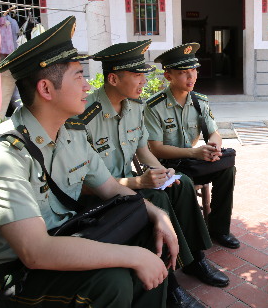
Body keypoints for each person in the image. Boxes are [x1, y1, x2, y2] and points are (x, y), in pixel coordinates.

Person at [0, 16, 179, 307]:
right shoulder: (5, 156)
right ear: (46, 89)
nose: (88, 87)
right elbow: (35, 252)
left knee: (145, 225)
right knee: (111, 280)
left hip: (63, 235)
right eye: (79, 76)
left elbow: (112, 190)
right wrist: (133, 256)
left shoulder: (71, 132)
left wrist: (157, 214)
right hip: (8, 275)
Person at [82, 41, 229, 306]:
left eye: (144, 74)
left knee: (180, 183)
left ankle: (196, 260)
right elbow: (88, 183)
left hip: (129, 184)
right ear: (113, 78)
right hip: (104, 193)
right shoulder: (85, 114)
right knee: (156, 200)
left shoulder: (134, 107)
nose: (143, 81)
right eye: (137, 75)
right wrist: (140, 181)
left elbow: (142, 151)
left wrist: (161, 171)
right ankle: (169, 286)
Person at [143, 43, 240, 251]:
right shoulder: (154, 107)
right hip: (168, 168)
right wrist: (195, 152)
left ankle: (219, 228)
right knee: (184, 182)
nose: (191, 77)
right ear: (168, 76)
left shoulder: (199, 102)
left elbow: (214, 132)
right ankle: (194, 242)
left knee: (228, 170)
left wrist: (214, 145)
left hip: (193, 163)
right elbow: (156, 149)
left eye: (194, 70)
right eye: (183, 73)